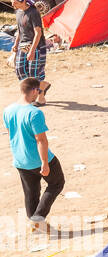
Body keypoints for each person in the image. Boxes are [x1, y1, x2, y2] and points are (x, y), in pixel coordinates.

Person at [4, 77, 64, 234]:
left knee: (31, 193)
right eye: (39, 90)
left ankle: (36, 225)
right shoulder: (34, 113)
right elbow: (41, 140)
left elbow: (12, 134)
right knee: (57, 183)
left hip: (20, 160)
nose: (39, 93)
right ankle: (37, 219)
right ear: (33, 91)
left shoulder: (8, 110)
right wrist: (44, 162)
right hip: (37, 158)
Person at [11, 0, 50, 106]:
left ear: (24, 2)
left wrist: (32, 51)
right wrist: (16, 44)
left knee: (34, 74)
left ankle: (40, 98)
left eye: (16, 3)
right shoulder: (18, 12)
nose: (14, 5)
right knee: (20, 70)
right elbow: (20, 30)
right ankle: (42, 87)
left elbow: (38, 33)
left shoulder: (33, 12)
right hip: (23, 46)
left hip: (37, 46)